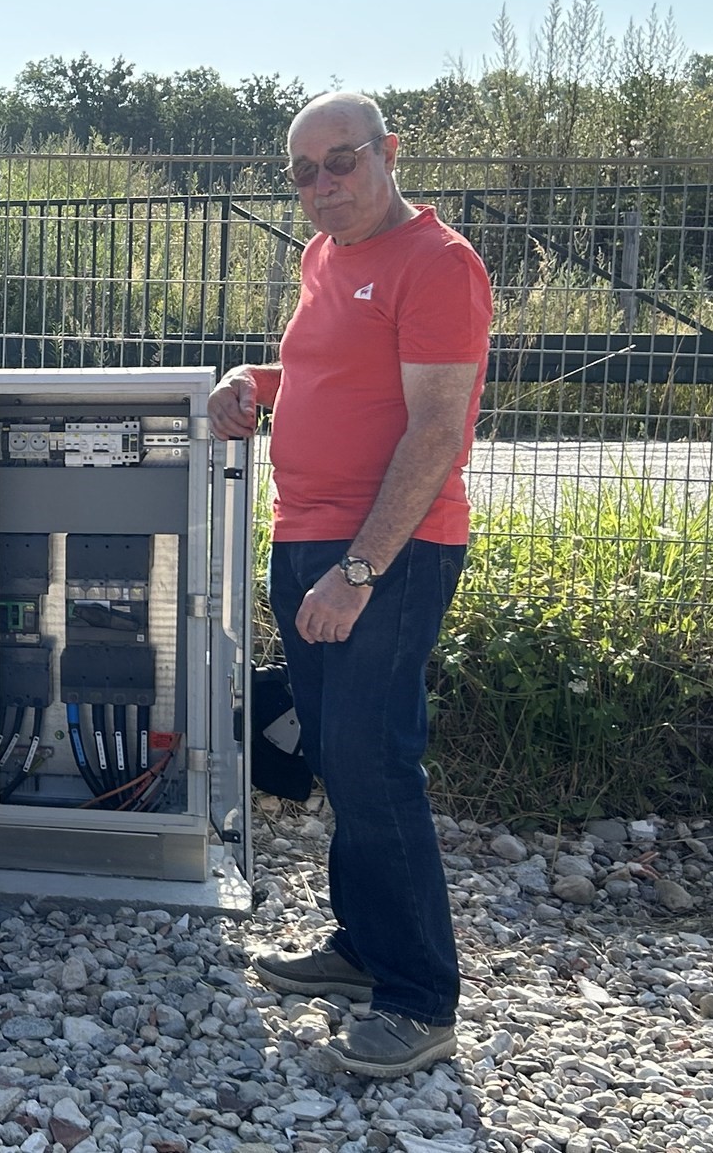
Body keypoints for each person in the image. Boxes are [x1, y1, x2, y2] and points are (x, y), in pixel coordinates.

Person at [209, 91, 492, 1078]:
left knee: (374, 762)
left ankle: (418, 997)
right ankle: (361, 946)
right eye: (302, 170)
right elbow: (324, 369)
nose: (321, 184)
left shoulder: (438, 263)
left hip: (387, 551)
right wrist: (250, 381)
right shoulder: (323, 256)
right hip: (308, 537)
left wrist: (359, 569)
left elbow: (433, 429)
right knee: (335, 752)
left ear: (387, 152)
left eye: (340, 161)